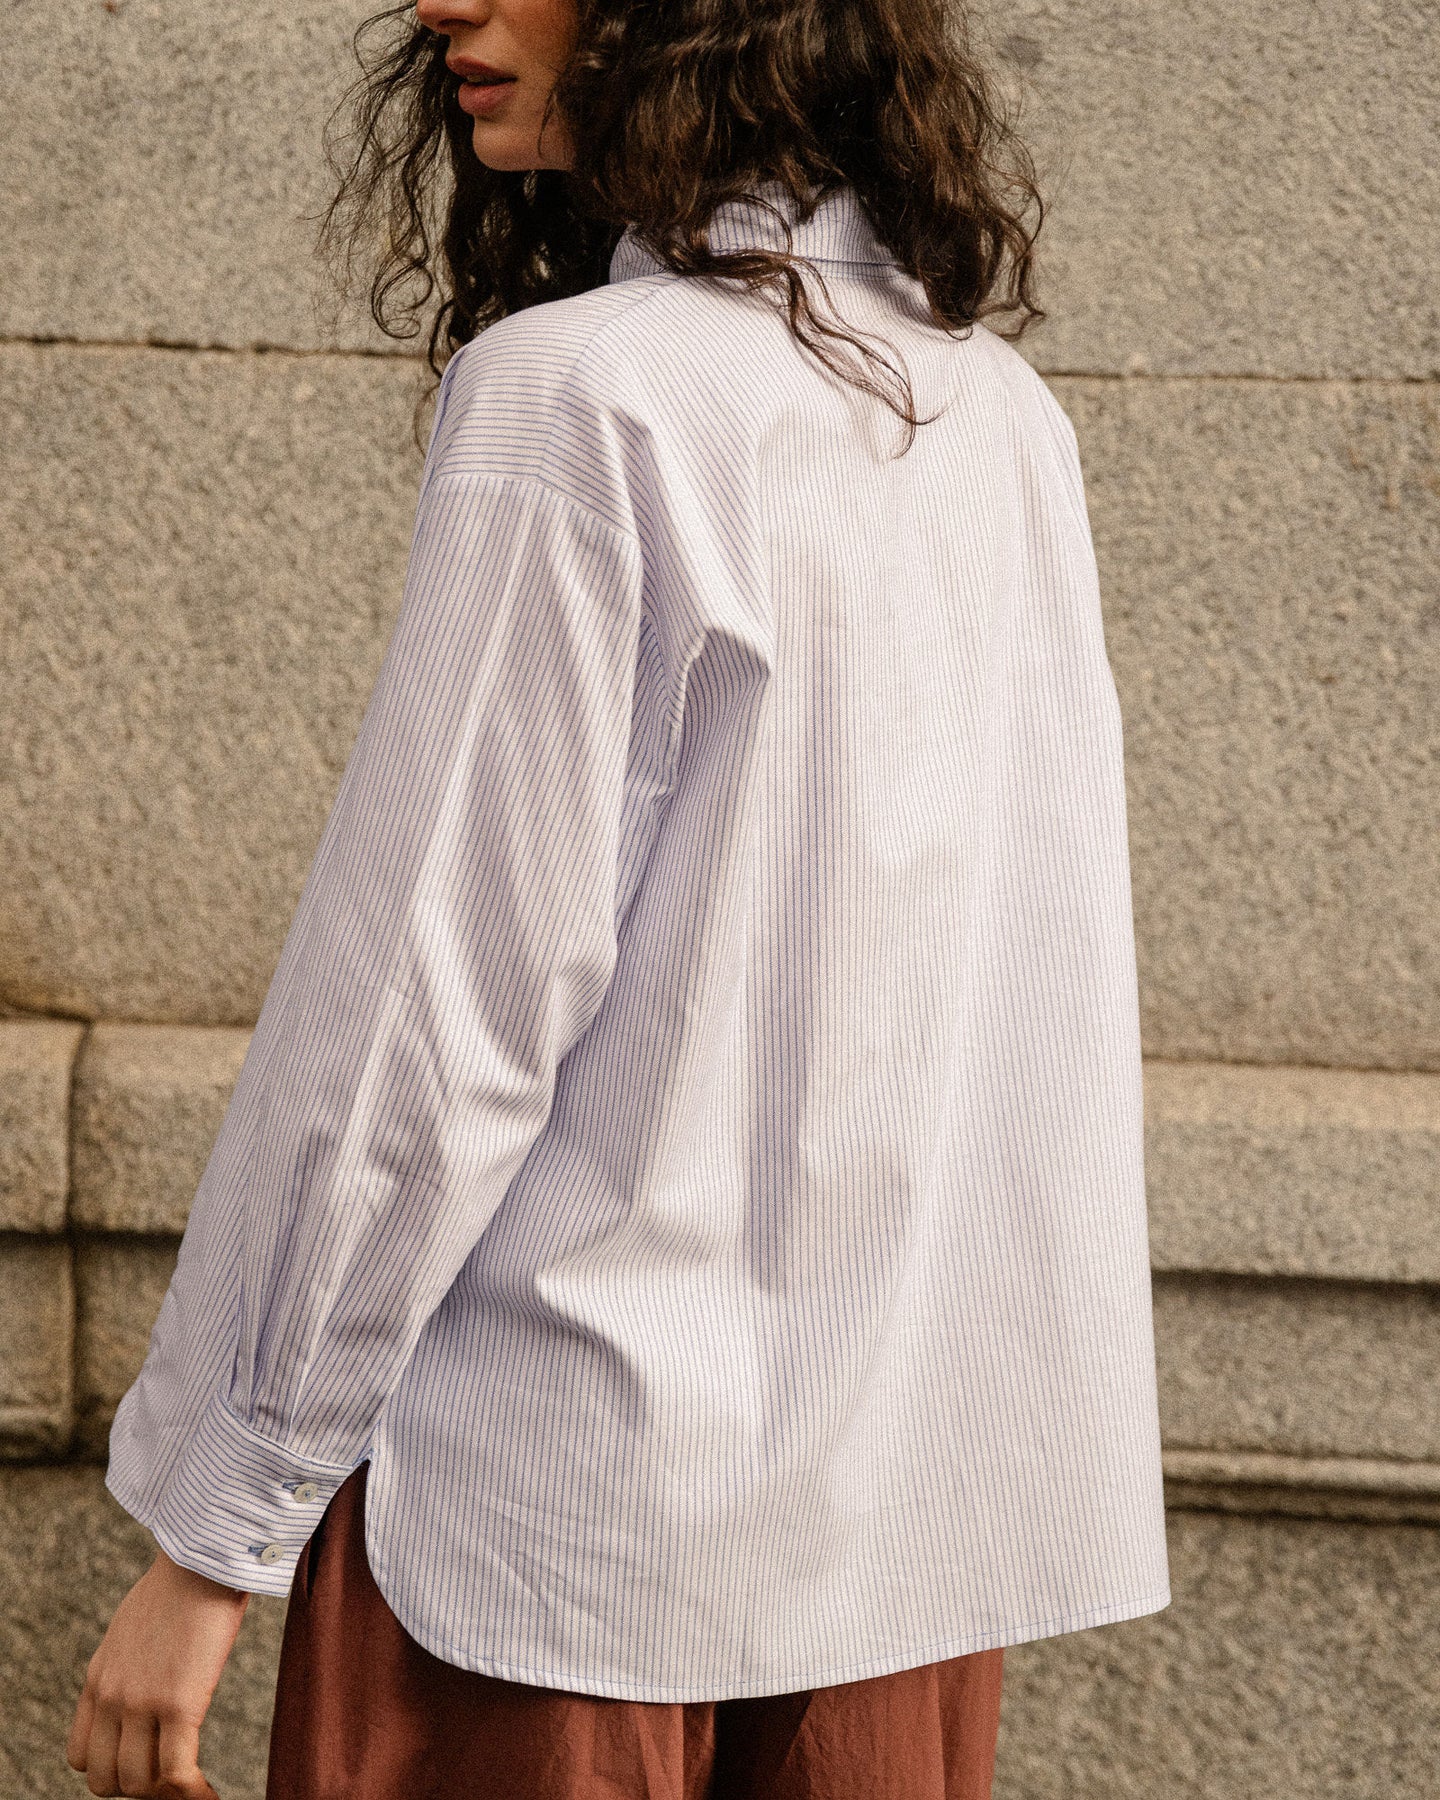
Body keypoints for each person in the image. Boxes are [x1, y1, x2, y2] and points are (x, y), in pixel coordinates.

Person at [65, 0, 1171, 1794]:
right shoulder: (994, 409)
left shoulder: (585, 393)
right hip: (887, 1541)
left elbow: (433, 1010)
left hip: (550, 1529)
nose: (445, 0)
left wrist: (218, 1527)